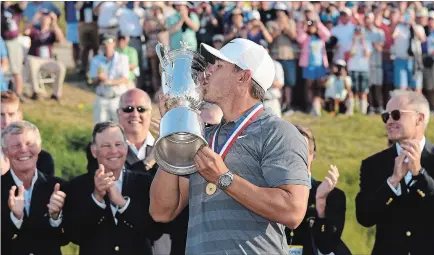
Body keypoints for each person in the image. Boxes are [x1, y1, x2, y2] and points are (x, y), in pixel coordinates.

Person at [150, 38, 310, 254]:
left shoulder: (279, 132)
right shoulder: (202, 136)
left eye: (218, 66)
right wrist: (174, 132)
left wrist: (223, 178)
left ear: (243, 77)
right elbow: (161, 211)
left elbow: (293, 212)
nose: (207, 71)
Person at [356, 90, 434, 255]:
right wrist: (392, 183)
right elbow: (364, 217)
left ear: (419, 118)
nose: (389, 121)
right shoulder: (373, 164)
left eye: (396, 115)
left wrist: (420, 175)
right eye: (386, 116)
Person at [64, 122, 162, 255]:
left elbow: (155, 231)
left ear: (126, 148)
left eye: (118, 145)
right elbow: (74, 235)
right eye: (106, 146)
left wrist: (123, 204)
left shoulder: (144, 182)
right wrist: (97, 198)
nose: (114, 151)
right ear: (94, 151)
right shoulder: (77, 186)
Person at [1, 120, 67, 255]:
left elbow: (67, 238)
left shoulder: (59, 187)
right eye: (16, 145)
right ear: (5, 151)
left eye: (29, 144)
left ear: (39, 147)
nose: (24, 150)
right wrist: (15, 218)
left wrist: (55, 217)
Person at [286, 124, 351, 255]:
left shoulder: (333, 196)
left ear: (312, 155)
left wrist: (320, 203)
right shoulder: (269, 192)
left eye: (302, 152)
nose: (295, 157)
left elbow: (327, 246)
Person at [1, 91, 55, 176]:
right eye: (1, 115)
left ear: (20, 116)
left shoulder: (43, 159)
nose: (6, 121)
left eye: (11, 114)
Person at [23, 9, 66, 101]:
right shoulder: (35, 30)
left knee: (61, 67)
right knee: (30, 61)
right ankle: (36, 92)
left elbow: (61, 39)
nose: (45, 19)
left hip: (47, 60)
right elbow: (25, 31)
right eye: (43, 17)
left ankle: (56, 94)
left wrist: (55, 23)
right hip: (35, 58)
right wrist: (35, 18)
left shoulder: (51, 32)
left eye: (47, 18)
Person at [89, 34, 130, 124]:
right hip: (101, 98)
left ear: (114, 43)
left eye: (109, 41)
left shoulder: (122, 58)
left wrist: (109, 82)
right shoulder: (96, 60)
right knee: (100, 128)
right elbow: (93, 82)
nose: (107, 44)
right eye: (104, 42)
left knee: (120, 128)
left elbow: (125, 79)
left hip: (117, 98)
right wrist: (99, 78)